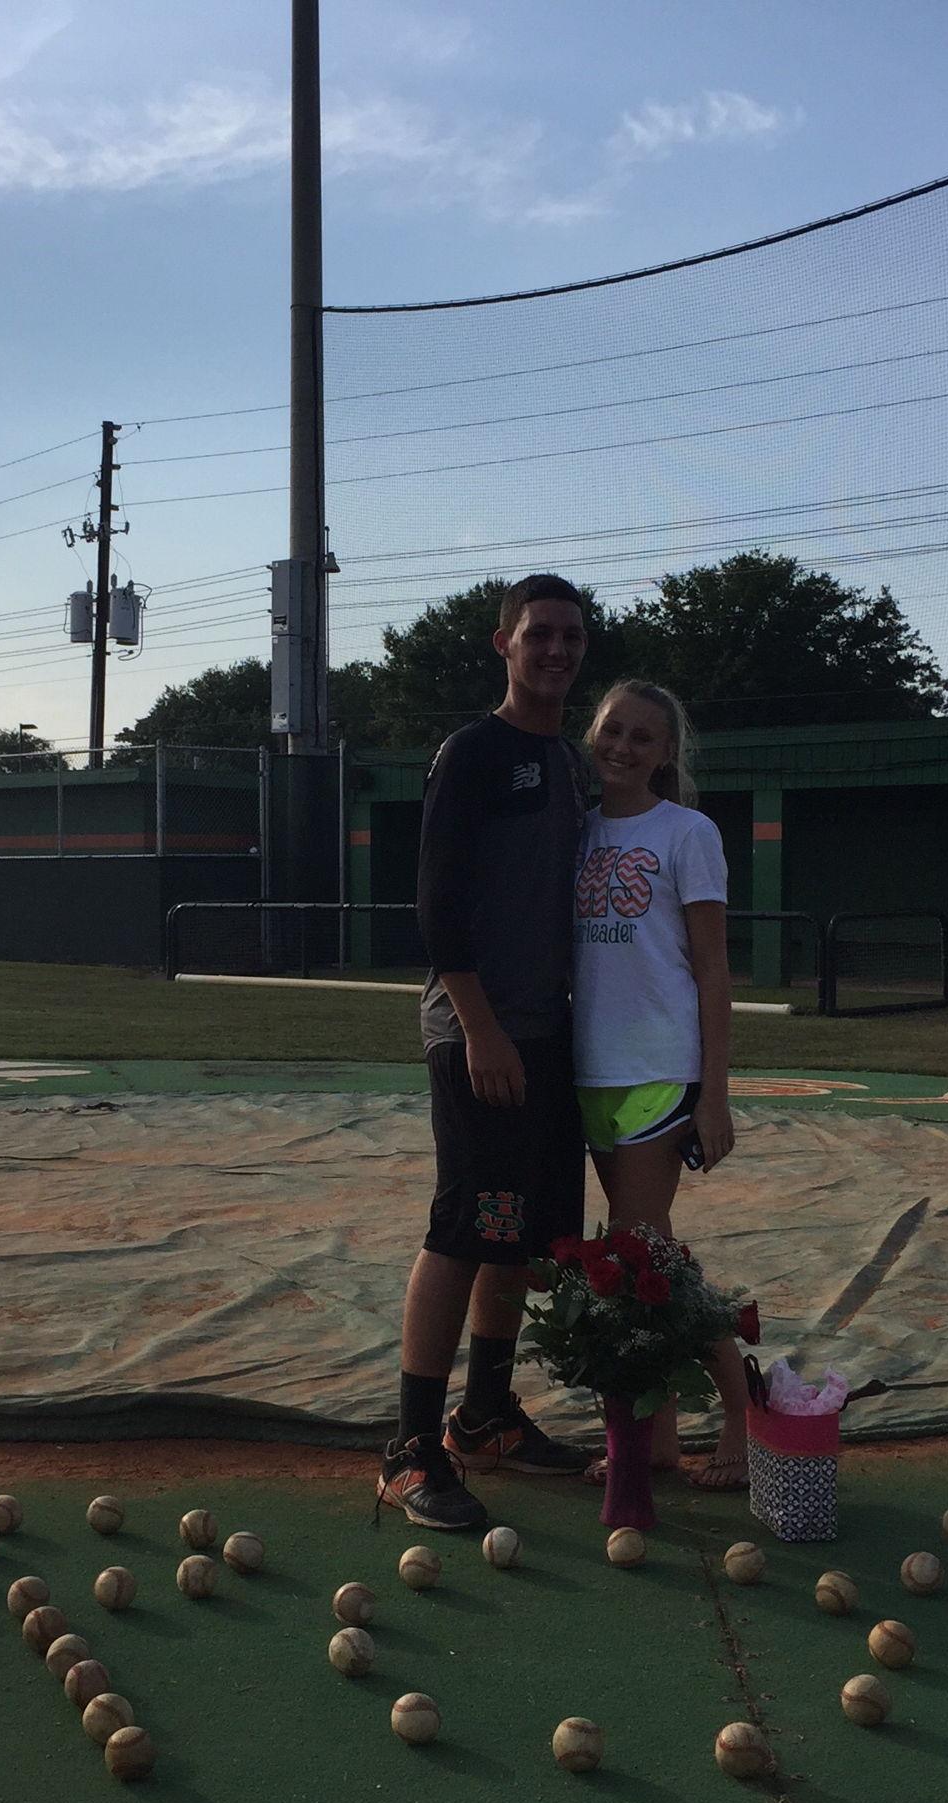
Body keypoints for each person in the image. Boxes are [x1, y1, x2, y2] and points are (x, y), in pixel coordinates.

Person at [377, 574, 594, 1531]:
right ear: (502, 643)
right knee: (466, 1229)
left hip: (551, 1035)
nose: (555, 650)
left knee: (524, 1233)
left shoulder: (576, 766)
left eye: (570, 637)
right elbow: (435, 905)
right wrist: (479, 1027)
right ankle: (409, 1449)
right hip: (481, 1033)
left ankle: (487, 1414)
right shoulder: (472, 753)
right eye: (537, 634)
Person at [571, 678, 750, 1489]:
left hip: (658, 1068)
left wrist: (712, 1094)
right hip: (589, 1069)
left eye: (644, 737)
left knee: (642, 1252)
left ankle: (743, 1418)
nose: (624, 747)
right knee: (643, 1252)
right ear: (592, 734)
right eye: (613, 730)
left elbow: (712, 971)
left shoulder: (688, 833)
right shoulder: (574, 833)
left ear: (666, 753)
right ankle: (658, 1438)